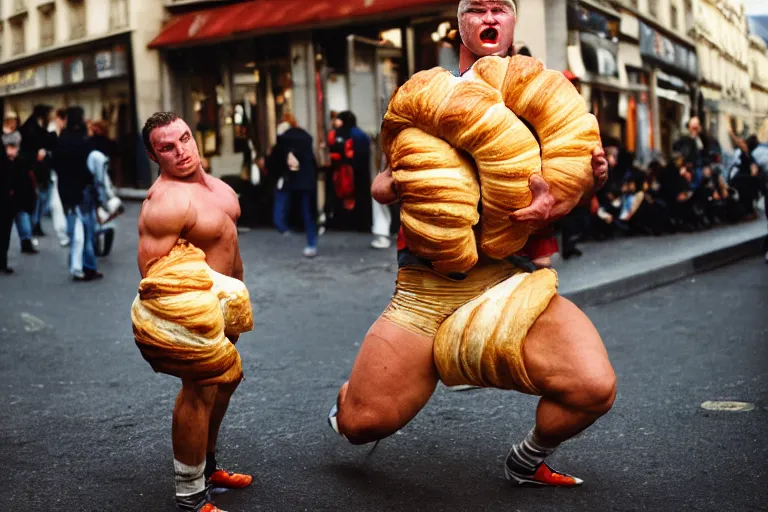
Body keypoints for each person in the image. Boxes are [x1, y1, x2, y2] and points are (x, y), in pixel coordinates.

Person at [328, 0, 614, 488]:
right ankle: (350, 396)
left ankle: (527, 460)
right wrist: (402, 183)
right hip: (427, 284)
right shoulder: (427, 94)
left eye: (499, 9)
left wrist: (583, 186)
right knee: (360, 425)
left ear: (512, 20)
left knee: (594, 387)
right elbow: (379, 183)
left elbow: (570, 179)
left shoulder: (544, 98)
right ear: (458, 21)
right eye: (476, 9)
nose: (488, 19)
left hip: (510, 279)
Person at [137, 112, 252, 512]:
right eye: (167, 147)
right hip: (196, 314)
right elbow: (153, 277)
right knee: (198, 391)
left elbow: (228, 245)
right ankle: (190, 494)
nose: (181, 150)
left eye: (185, 138)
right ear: (155, 155)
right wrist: (185, 327)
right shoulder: (166, 201)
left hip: (227, 307)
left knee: (227, 381)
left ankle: (208, 467)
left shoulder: (219, 188)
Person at [52, 107, 101, 281]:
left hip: (66, 191)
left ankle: (76, 263)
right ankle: (88, 266)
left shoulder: (61, 140)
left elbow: (55, 165)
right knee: (88, 231)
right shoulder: (84, 141)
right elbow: (92, 167)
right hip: (83, 191)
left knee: (74, 230)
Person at [267, 113, 319, 258]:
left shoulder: (285, 142)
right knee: (308, 211)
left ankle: (283, 226)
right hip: (308, 180)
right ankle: (311, 241)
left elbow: (285, 162)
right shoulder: (305, 138)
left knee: (283, 202)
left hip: (292, 179)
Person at [1, 131, 37, 273]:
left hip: (10, 203)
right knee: (4, 233)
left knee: (5, 233)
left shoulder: (17, 163)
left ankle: (2, 262)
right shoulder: (13, 164)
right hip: (8, 202)